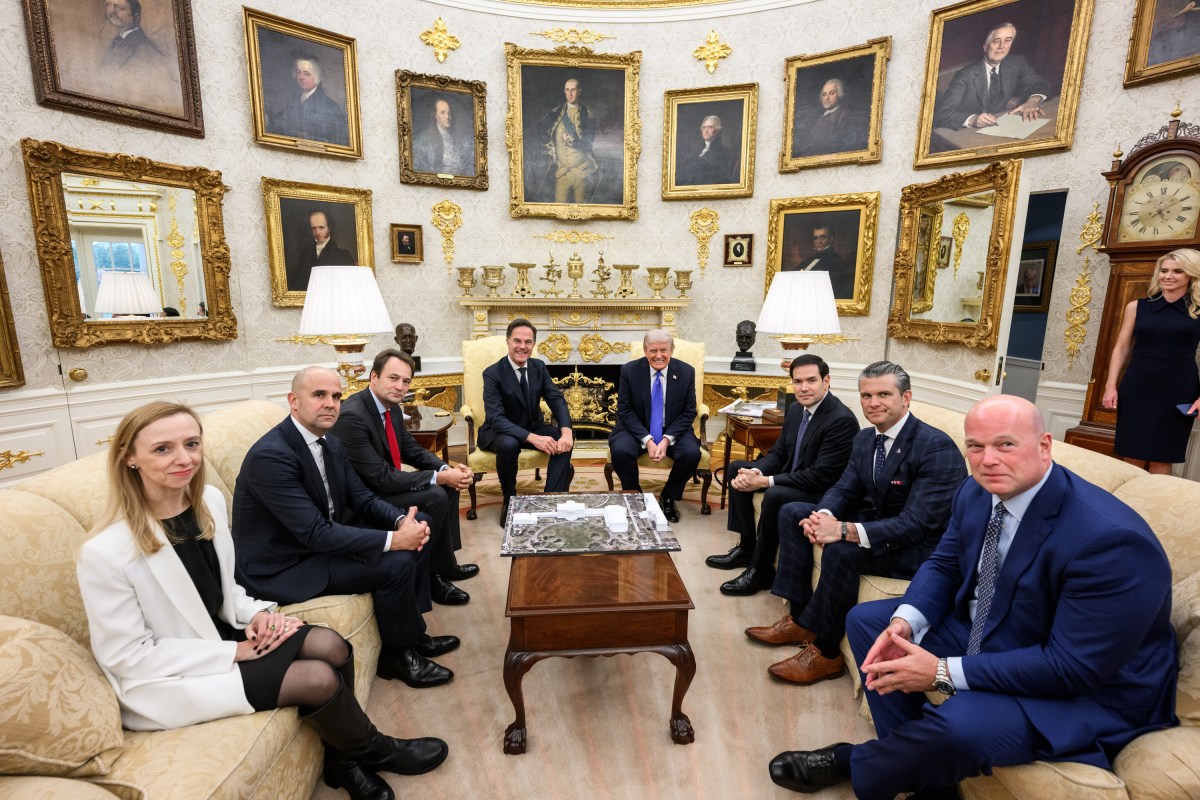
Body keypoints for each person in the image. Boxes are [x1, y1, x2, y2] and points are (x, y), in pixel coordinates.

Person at [769, 395, 1179, 799]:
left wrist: (942, 672)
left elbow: (1072, 667)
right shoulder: (977, 491)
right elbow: (945, 563)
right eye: (976, 447)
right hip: (999, 630)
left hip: (1082, 685)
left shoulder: (1110, 541)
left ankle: (857, 763)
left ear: (1044, 446)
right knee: (870, 623)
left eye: (1005, 445)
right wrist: (904, 622)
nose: (988, 460)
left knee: (961, 725)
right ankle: (923, 779)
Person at [77, 401, 448, 800]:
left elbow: (227, 589)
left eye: (191, 443)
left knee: (331, 643)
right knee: (317, 678)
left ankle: (343, 763)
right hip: (169, 676)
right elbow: (127, 657)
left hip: (224, 632)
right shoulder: (105, 552)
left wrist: (258, 615)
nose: (183, 458)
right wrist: (234, 652)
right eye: (162, 449)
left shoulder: (210, 505)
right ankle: (372, 749)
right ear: (129, 458)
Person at [233, 366, 459, 690]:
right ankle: (397, 657)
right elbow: (316, 533)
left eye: (336, 396)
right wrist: (394, 540)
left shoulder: (330, 443)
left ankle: (413, 635)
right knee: (395, 562)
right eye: (319, 395)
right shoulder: (272, 456)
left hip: (318, 541)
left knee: (420, 523)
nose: (330, 403)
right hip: (286, 565)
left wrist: (400, 522)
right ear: (293, 401)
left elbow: (362, 497)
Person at [745, 361, 966, 686]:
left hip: (922, 547)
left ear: (906, 397)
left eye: (883, 394)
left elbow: (916, 525)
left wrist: (845, 531)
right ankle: (800, 618)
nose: (873, 403)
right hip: (883, 525)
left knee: (842, 551)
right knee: (794, 513)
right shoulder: (865, 439)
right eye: (866, 395)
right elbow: (844, 488)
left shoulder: (935, 447)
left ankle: (826, 653)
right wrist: (824, 516)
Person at [329, 349, 477, 606]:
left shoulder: (392, 407)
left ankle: (445, 565)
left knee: (448, 486)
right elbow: (380, 478)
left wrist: (446, 470)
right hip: (364, 498)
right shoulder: (352, 416)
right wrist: (439, 479)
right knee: (436, 495)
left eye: (406, 381)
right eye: (393, 378)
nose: (400, 386)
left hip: (383, 485)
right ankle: (433, 579)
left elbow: (411, 450)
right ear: (373, 377)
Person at [711, 354, 859, 595]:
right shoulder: (794, 409)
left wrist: (765, 481)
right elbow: (779, 453)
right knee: (737, 468)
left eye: (811, 380)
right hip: (795, 476)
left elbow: (819, 475)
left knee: (776, 494)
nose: (803, 388)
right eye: (798, 382)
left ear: (826, 380)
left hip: (820, 489)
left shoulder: (840, 420)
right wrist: (756, 471)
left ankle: (761, 570)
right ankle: (747, 548)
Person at [1102, 248, 1200, 474]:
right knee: (1132, 455)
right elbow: (1122, 347)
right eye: (1164, 270)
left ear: (1191, 275)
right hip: (1137, 387)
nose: (1168, 276)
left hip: (1179, 389)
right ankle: (1127, 509)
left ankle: (1154, 509)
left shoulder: (1197, 311)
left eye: (1177, 271)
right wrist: (1110, 385)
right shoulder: (1137, 307)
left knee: (1162, 458)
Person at [478, 318, 574, 525]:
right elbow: (495, 418)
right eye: (517, 341)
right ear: (508, 342)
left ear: (533, 344)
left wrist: (566, 430)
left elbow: (555, 399)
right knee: (510, 444)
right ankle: (509, 500)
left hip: (532, 425)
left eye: (528, 342)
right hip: (499, 431)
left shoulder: (538, 367)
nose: (522, 346)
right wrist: (532, 438)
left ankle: (551, 500)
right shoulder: (493, 373)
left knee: (564, 439)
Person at [608, 330, 700, 524]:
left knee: (692, 453)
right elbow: (624, 411)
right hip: (636, 427)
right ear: (644, 350)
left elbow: (689, 412)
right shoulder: (629, 371)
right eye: (653, 350)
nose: (658, 356)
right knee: (621, 450)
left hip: (673, 428)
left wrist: (667, 439)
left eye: (663, 350)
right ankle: (635, 496)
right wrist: (648, 439)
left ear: (672, 350)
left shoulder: (686, 372)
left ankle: (668, 496)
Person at [932, 23, 1053, 132]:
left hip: (1005, 126)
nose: (1002, 46)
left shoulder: (1017, 63)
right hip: (970, 133)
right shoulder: (965, 75)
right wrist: (973, 119)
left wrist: (1032, 101)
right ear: (985, 47)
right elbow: (942, 114)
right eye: (996, 41)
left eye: (1008, 40)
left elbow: (1041, 84)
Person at [537, 78, 598, 203]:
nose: (570, 94)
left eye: (573, 90)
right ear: (564, 91)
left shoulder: (588, 115)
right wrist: (551, 148)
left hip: (582, 172)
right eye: (567, 90)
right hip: (561, 172)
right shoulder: (556, 112)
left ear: (579, 91)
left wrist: (570, 142)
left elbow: (587, 144)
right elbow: (540, 129)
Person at [269, 57, 349, 146]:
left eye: (306, 74)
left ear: (317, 77)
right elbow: (283, 119)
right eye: (299, 72)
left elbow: (339, 138)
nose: (301, 77)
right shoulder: (296, 99)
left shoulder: (330, 106)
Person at [792, 78, 868, 157]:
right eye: (824, 94)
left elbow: (844, 146)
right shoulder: (819, 116)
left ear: (840, 95)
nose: (826, 98)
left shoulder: (844, 115)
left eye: (832, 93)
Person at [287, 210, 354, 292]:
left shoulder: (344, 256)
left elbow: (348, 287)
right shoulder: (304, 255)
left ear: (330, 227)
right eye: (314, 228)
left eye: (321, 227)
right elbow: (297, 284)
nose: (317, 232)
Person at [412, 97, 475, 176]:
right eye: (442, 113)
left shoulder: (458, 137)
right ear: (435, 115)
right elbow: (417, 161)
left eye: (449, 113)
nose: (447, 117)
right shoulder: (424, 138)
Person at [791, 224, 855, 299]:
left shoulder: (836, 262)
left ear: (831, 239)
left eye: (823, 237)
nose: (818, 242)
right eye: (815, 238)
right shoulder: (811, 259)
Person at [677, 115, 736, 186]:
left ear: (717, 130)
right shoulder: (695, 150)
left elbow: (719, 178)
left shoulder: (724, 153)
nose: (706, 131)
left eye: (710, 127)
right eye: (704, 127)